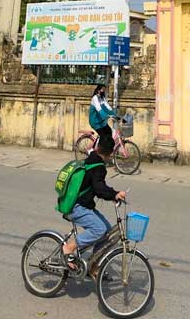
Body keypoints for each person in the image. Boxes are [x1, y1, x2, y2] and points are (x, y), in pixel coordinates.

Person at [60, 133, 128, 270]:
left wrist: (112, 195)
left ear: (97, 147)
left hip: (83, 204)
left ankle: (94, 265)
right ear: (110, 153)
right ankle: (69, 248)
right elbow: (99, 188)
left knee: (106, 231)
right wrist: (114, 194)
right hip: (77, 206)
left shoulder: (92, 158)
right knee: (100, 229)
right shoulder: (98, 166)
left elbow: (97, 186)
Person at [89, 84, 115, 148]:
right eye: (102, 89)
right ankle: (100, 150)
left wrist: (114, 114)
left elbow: (108, 107)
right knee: (103, 136)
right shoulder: (95, 98)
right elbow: (99, 109)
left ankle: (107, 148)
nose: (103, 91)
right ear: (98, 90)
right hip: (95, 121)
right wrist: (106, 116)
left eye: (104, 90)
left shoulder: (102, 98)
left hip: (101, 121)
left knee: (109, 131)